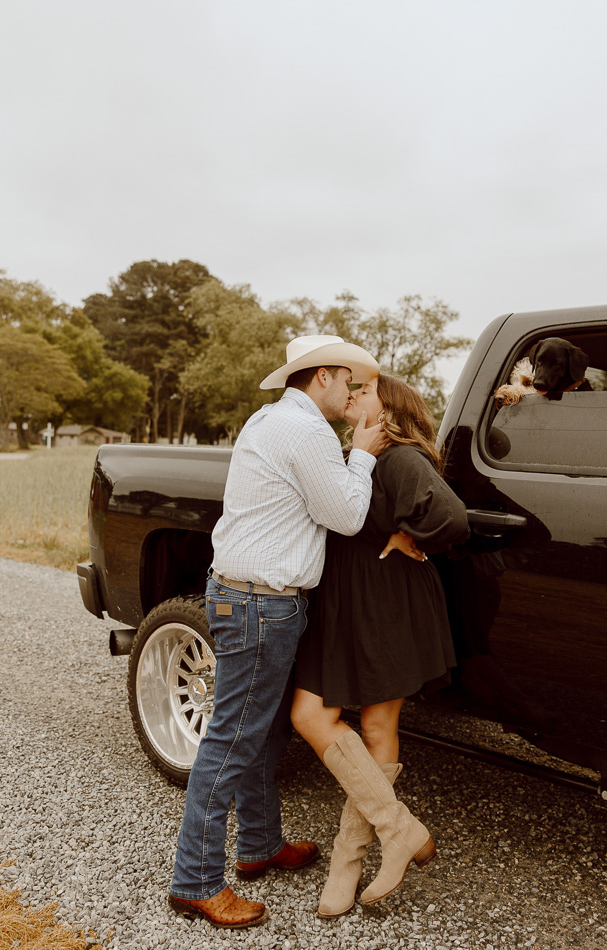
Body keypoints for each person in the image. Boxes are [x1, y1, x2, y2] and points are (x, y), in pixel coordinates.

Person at [168, 334, 388, 931]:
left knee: (261, 735)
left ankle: (260, 846)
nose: (349, 393)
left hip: (245, 596)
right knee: (233, 741)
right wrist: (363, 452)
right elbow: (344, 515)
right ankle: (195, 881)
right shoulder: (308, 431)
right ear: (320, 377)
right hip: (261, 604)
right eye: (346, 381)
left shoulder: (269, 419)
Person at [291, 373, 469, 918]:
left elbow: (453, 518)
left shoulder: (399, 456)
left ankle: (349, 861)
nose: (353, 393)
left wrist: (411, 535)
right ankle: (401, 829)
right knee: (309, 714)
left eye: (364, 389)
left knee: (375, 726)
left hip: (387, 599)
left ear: (388, 408)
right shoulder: (352, 454)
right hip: (343, 601)